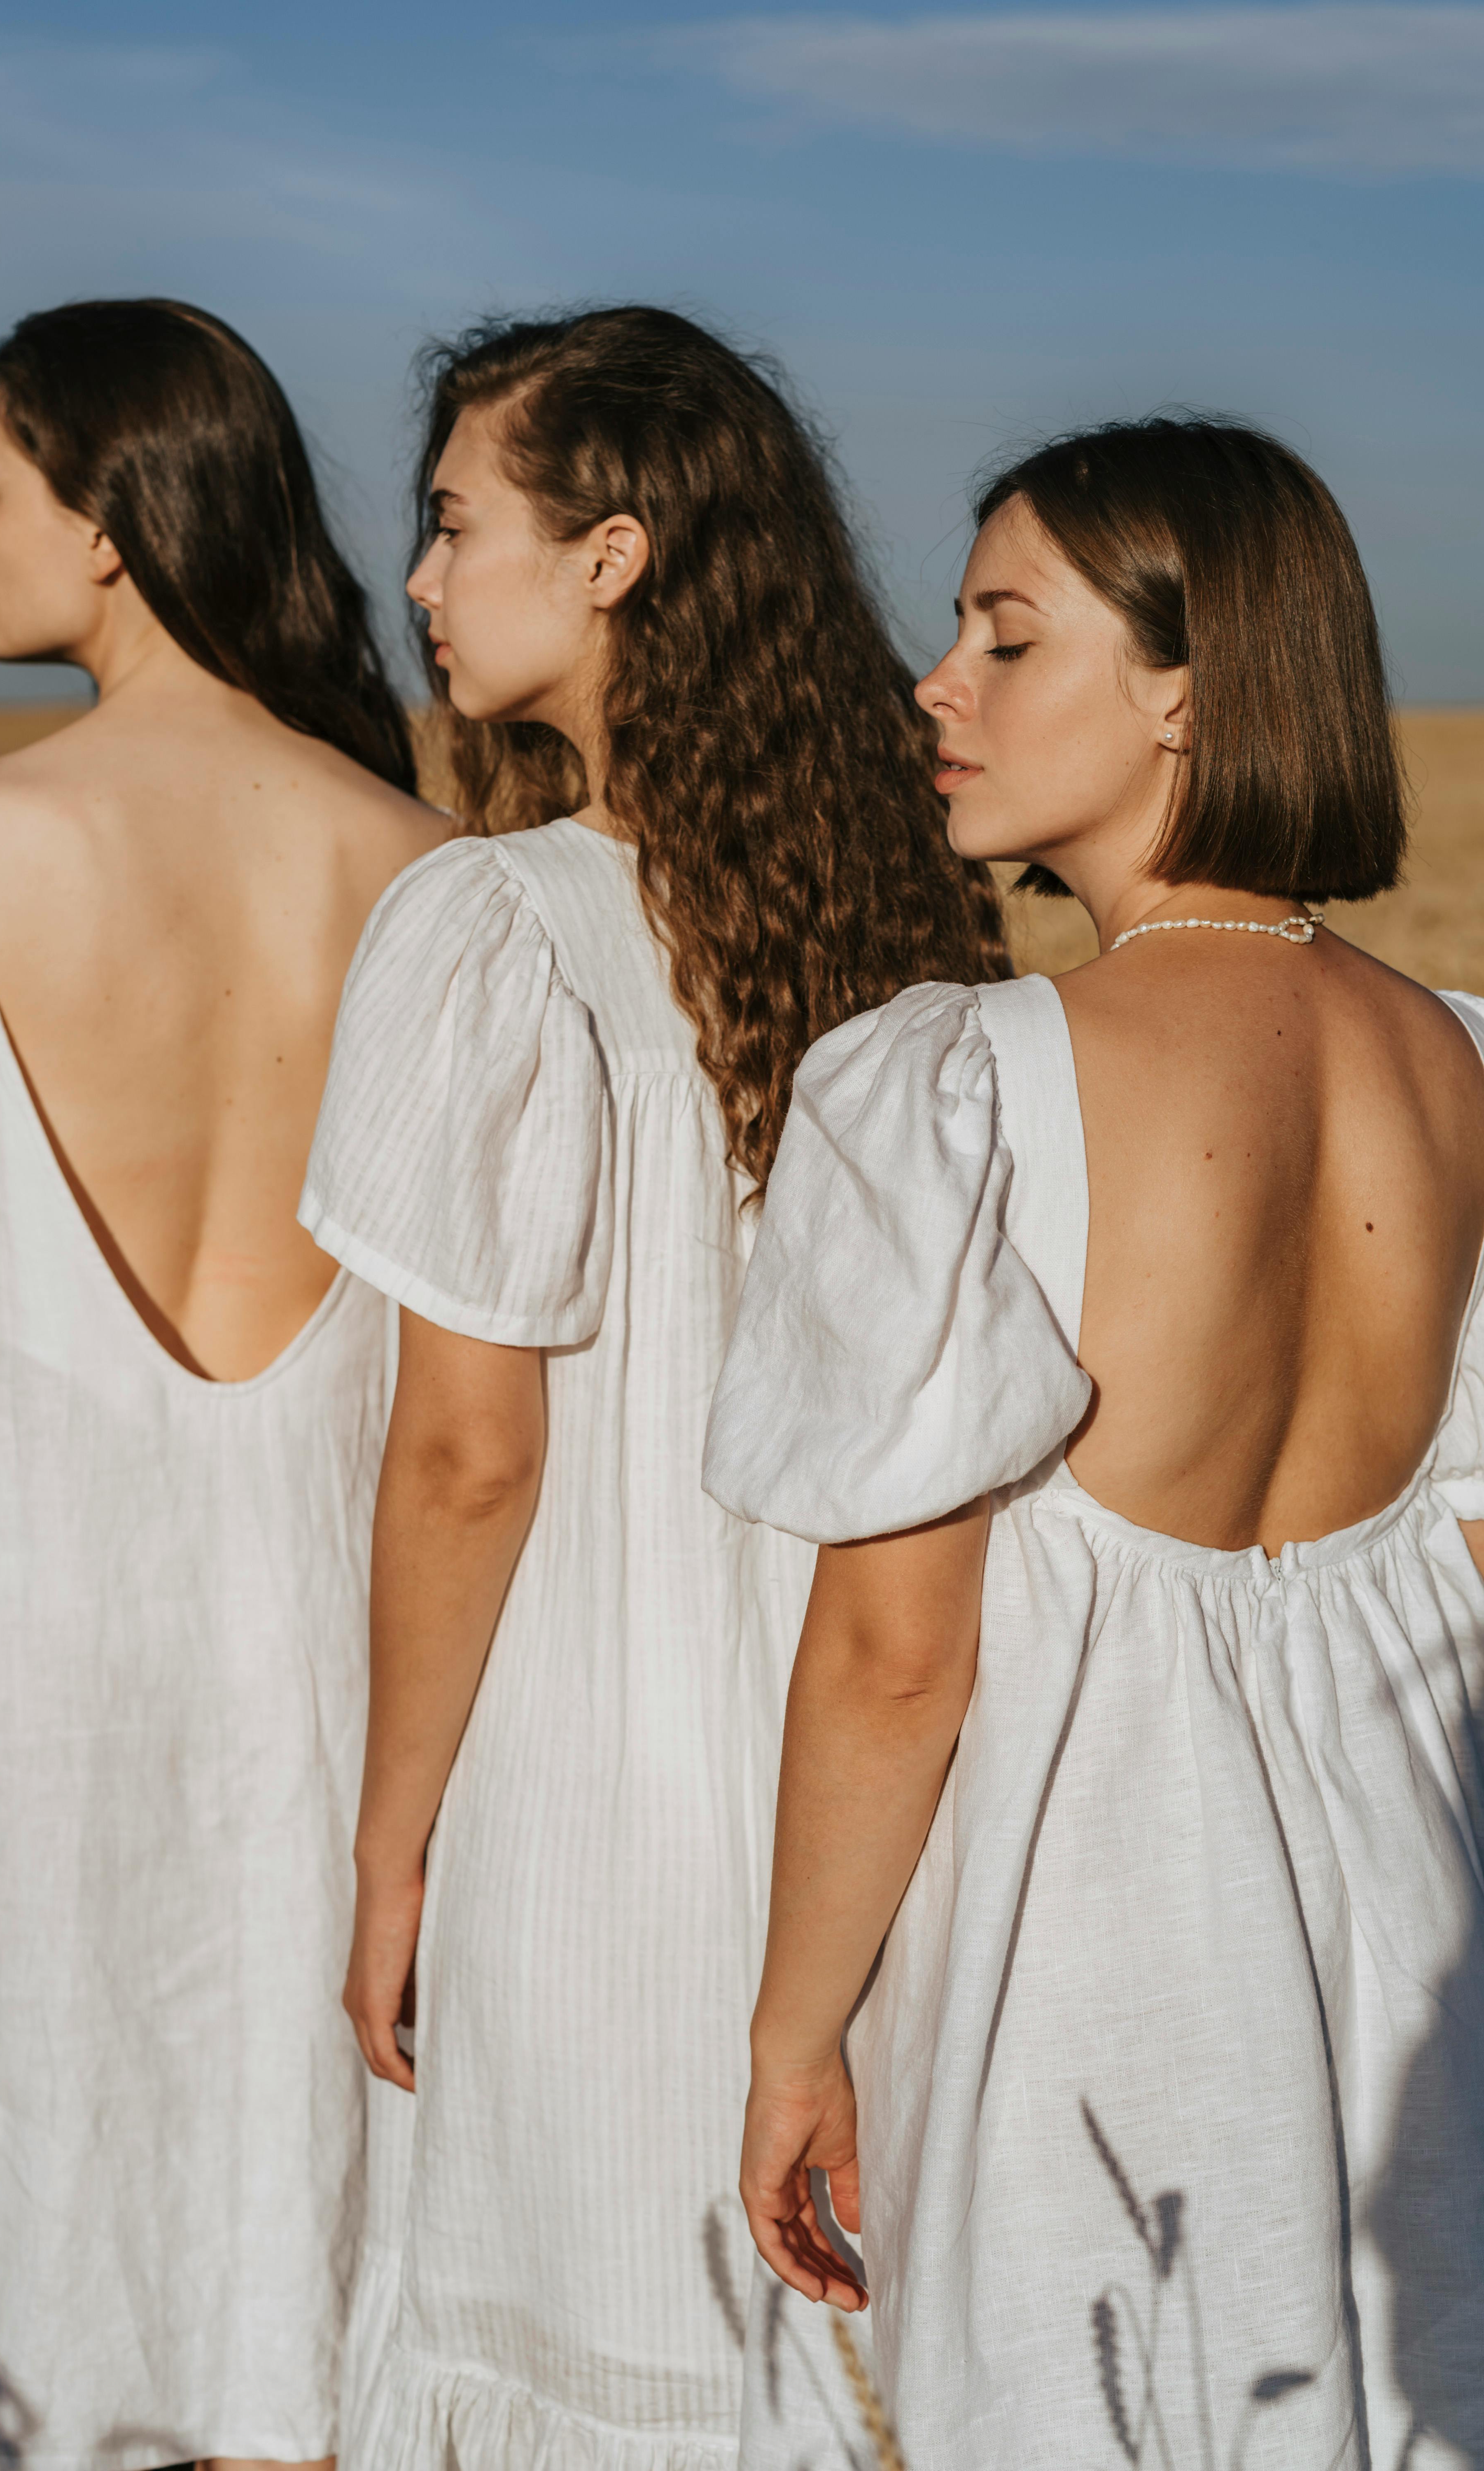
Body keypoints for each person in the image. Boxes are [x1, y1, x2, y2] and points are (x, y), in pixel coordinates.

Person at [706, 414, 1484, 2466]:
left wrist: (796, 2035)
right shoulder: (1461, 1066)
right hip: (1406, 1925)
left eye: (1003, 636)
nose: (933, 687)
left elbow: (896, 1652)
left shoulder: (948, 1083)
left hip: (1092, 1936)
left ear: (1185, 689)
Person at [296, 305, 1010, 2470]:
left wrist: (395, 1844)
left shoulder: (492, 922)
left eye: (449, 524)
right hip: (870, 1780)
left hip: (591, 1785)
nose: (415, 582)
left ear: (611, 557)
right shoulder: (908, 921)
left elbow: (466, 1453)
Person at [0, 299, 446, 2471]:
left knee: (52, 2188)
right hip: (321, 1619)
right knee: (288, 2208)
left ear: (108, 523)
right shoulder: (416, 865)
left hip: (40, 1607)